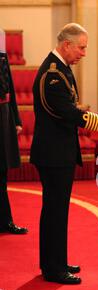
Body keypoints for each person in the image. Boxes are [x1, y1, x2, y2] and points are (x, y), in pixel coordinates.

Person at [30, 23, 98, 285]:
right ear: (66, 45)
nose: (84, 53)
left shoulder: (62, 69)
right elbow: (69, 113)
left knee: (57, 209)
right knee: (55, 210)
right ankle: (53, 269)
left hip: (58, 151)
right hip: (53, 154)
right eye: (82, 47)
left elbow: (70, 109)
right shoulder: (53, 75)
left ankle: (56, 262)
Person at [0, 50, 28, 235]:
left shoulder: (1, 52)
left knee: (2, 172)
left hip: (2, 116)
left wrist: (16, 119)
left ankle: (5, 222)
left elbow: (9, 86)